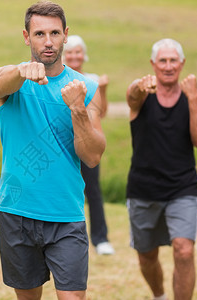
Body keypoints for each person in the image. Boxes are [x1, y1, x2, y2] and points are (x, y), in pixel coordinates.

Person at [0, 1, 106, 299]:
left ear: (66, 35)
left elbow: (92, 155)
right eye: (39, 34)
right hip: (17, 212)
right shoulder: (13, 81)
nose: (48, 41)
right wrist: (21, 74)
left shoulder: (86, 88)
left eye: (55, 33)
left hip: (65, 214)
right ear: (27, 37)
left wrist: (77, 108)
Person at [125, 38, 197, 300]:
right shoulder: (142, 94)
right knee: (147, 256)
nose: (168, 65)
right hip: (143, 188)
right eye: (162, 60)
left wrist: (194, 99)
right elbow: (132, 96)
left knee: (184, 250)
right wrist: (140, 86)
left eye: (173, 60)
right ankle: (160, 295)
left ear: (182, 63)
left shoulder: (192, 95)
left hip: (182, 187)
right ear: (153, 64)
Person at [63, 35, 114, 255]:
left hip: (88, 142)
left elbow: (103, 113)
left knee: (93, 190)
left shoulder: (92, 80)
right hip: (65, 145)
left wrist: (103, 90)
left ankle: (101, 238)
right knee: (66, 191)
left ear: (84, 55)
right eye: (70, 52)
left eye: (78, 52)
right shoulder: (58, 78)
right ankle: (69, 237)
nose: (74, 56)